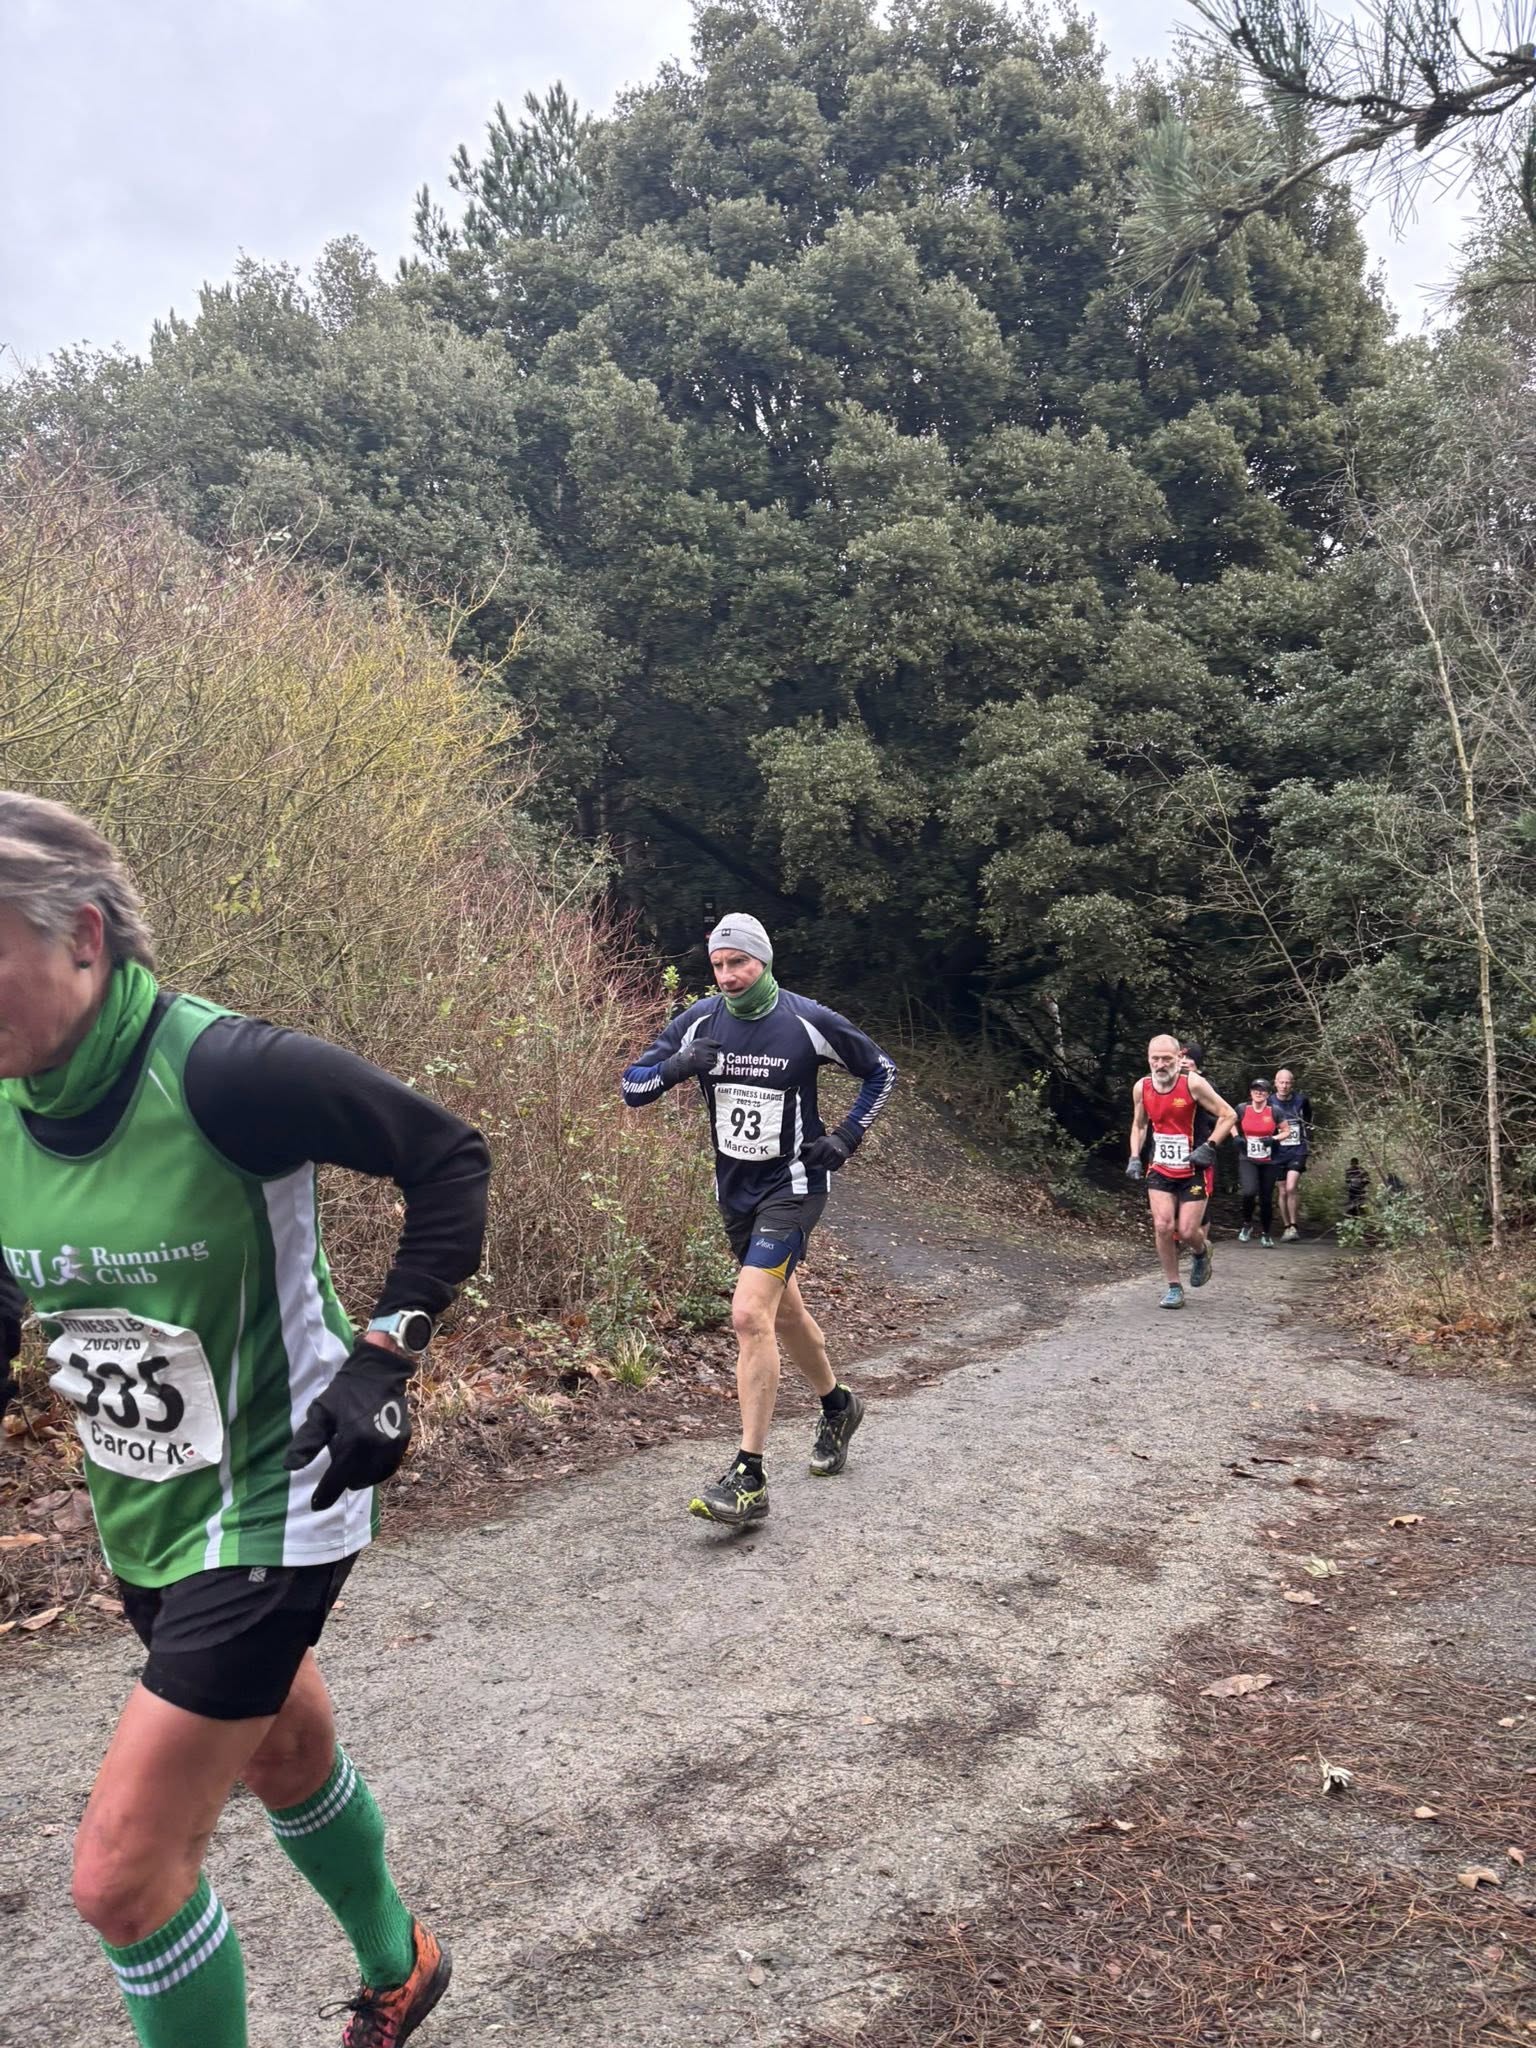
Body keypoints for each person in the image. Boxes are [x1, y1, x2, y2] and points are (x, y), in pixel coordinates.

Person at [0, 793, 490, 2048]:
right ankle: (405, 1963)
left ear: (83, 936)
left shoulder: (225, 1071)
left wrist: (387, 1352)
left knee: (122, 1877)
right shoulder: (5, 1100)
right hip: (145, 1497)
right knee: (283, 1752)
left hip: (280, 1488)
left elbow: (448, 1157)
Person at [621, 913, 896, 1527]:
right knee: (784, 1313)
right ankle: (838, 1405)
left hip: (793, 1188)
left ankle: (749, 1476)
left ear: (764, 961)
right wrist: (678, 1065)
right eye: (718, 965)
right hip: (735, 1194)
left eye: (739, 963)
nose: (728, 976)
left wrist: (847, 1137)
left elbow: (881, 1071)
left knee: (749, 1315)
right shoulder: (699, 1021)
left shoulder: (807, 1020)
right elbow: (631, 1087)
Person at [1126, 1034, 1235, 1309]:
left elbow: (1229, 1115)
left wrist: (1209, 1146)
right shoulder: (1142, 1087)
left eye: (1167, 1059)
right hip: (1160, 1167)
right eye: (1155, 1059)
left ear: (1178, 1058)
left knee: (1187, 1232)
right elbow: (1139, 1124)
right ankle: (1174, 1287)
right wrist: (1135, 1156)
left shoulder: (1193, 1083)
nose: (1161, 1064)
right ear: (1148, 1059)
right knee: (1163, 1226)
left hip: (1194, 1167)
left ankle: (1201, 1250)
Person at [1234, 1078, 1280, 1246]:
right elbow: (1229, 1121)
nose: (1258, 1093)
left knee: (1266, 1198)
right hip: (1248, 1157)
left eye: (1262, 1090)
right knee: (1249, 1192)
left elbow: (1286, 1131)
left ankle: (1266, 1233)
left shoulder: (1274, 1110)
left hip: (1269, 1160)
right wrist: (1236, 1137)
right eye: (1255, 1089)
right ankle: (1247, 1224)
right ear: (1250, 1092)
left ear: (1268, 1094)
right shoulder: (1242, 1108)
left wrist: (1273, 1139)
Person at [1269, 1067, 1312, 1240]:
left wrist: (1308, 1137)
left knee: (1291, 1186)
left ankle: (1294, 1226)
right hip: (1278, 1151)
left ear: (1292, 1084)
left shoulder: (1301, 1100)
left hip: (1297, 1149)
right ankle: (1287, 1226)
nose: (1284, 1086)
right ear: (1275, 1083)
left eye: (1287, 1083)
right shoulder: (1269, 1101)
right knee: (1282, 1190)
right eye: (1281, 1082)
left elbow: (1308, 1120)